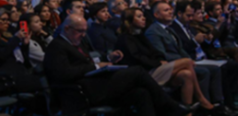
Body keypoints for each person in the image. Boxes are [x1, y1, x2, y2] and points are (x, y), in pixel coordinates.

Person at [43, 14, 196, 116]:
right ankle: (171, 107)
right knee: (137, 71)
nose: (83, 35)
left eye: (85, 31)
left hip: (96, 85)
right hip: (82, 92)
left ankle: (169, 108)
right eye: (80, 31)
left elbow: (86, 61)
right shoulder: (57, 46)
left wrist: (107, 58)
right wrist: (96, 67)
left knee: (141, 93)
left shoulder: (76, 41)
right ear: (67, 28)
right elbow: (64, 73)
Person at [115, 7, 213, 115]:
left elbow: (156, 52)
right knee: (187, 62)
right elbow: (137, 58)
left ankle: (188, 113)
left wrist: (160, 60)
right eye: (139, 16)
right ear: (129, 20)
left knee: (186, 74)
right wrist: (158, 63)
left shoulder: (140, 35)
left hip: (154, 68)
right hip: (143, 74)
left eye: (143, 15)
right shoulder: (125, 38)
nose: (144, 18)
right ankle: (201, 99)